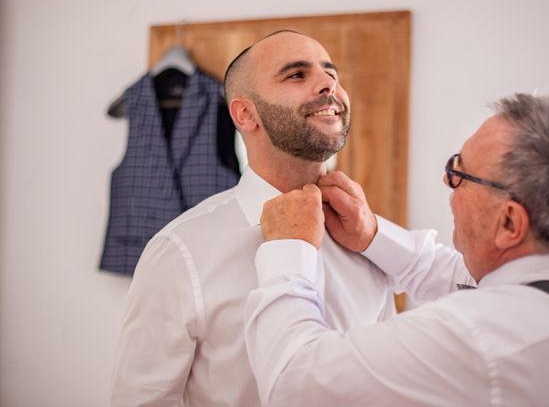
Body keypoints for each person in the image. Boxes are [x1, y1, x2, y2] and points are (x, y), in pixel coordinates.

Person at [110, 31, 459, 406]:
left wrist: (375, 236)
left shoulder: (367, 238)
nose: (329, 84)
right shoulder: (180, 252)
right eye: (296, 75)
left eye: (332, 74)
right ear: (245, 113)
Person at [244, 93, 549, 406]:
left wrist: (289, 251)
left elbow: (295, 384)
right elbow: (459, 277)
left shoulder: (478, 340)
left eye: (460, 174)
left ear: (509, 223)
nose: (448, 186)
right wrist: (372, 236)